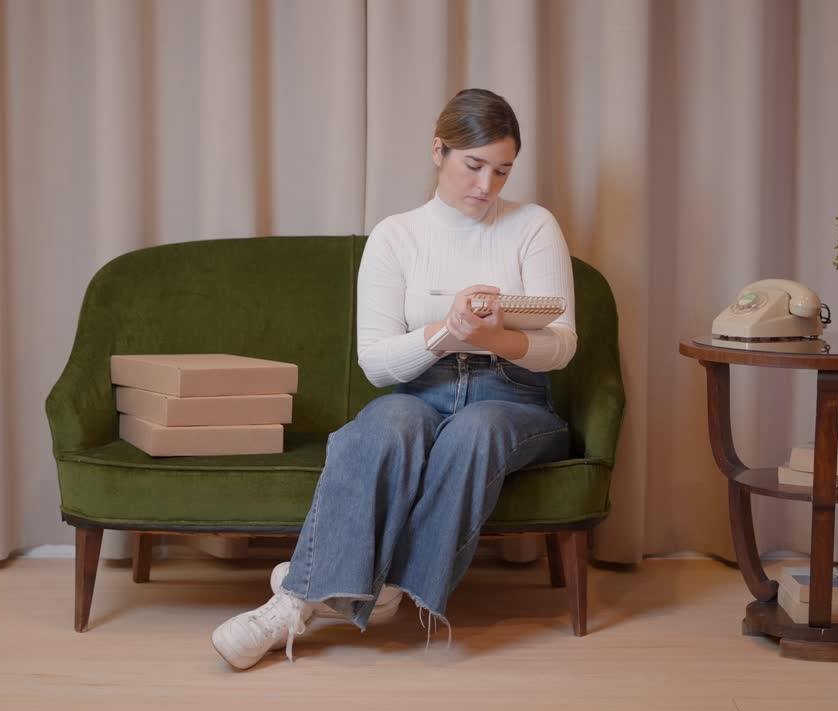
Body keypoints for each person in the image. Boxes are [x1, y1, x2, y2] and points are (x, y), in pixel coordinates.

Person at [211, 88, 577, 670]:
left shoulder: (534, 226)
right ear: (439, 150)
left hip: (513, 397)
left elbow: (560, 346)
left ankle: (358, 590)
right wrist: (443, 333)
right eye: (473, 165)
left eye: (502, 171)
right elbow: (376, 363)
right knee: (380, 424)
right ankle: (303, 600)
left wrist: (490, 338)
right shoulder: (396, 236)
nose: (487, 186)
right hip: (422, 390)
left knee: (475, 430)